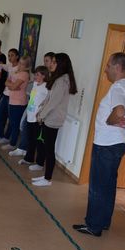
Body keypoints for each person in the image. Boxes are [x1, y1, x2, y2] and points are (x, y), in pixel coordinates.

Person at [73, 53, 125, 236]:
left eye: (108, 65)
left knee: (98, 186)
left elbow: (120, 111)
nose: (105, 69)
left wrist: (111, 121)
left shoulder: (118, 87)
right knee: (108, 184)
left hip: (106, 143)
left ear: (117, 67)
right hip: (120, 142)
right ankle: (103, 221)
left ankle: (93, 226)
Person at [31, 53, 78, 187]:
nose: (51, 64)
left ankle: (47, 178)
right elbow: (50, 98)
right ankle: (46, 175)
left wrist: (41, 115)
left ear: (60, 64)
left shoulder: (62, 81)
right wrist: (41, 108)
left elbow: (54, 103)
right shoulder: (58, 79)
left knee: (49, 149)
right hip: (50, 117)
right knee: (47, 147)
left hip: (53, 118)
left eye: (54, 62)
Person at [17, 66, 49, 164]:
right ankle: (28, 158)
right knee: (30, 138)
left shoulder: (46, 87)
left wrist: (40, 114)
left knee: (38, 141)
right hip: (30, 115)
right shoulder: (35, 84)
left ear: (44, 76)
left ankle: (39, 162)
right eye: (35, 74)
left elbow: (47, 102)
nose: (35, 76)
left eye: (37, 74)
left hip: (37, 118)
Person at [2, 55, 30, 149]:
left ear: (26, 66)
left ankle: (12, 143)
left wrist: (12, 86)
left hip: (19, 102)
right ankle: (9, 139)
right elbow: (6, 82)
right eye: (19, 63)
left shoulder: (24, 74)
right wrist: (12, 85)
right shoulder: (17, 72)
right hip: (12, 100)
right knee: (12, 121)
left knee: (15, 123)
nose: (19, 65)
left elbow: (13, 87)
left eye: (22, 64)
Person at [0, 48, 19, 142]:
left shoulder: (20, 68)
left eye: (12, 55)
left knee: (10, 117)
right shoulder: (10, 66)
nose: (10, 57)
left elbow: (26, 78)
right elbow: (0, 65)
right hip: (5, 94)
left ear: (17, 57)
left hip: (13, 96)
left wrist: (10, 83)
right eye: (9, 55)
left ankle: (7, 137)